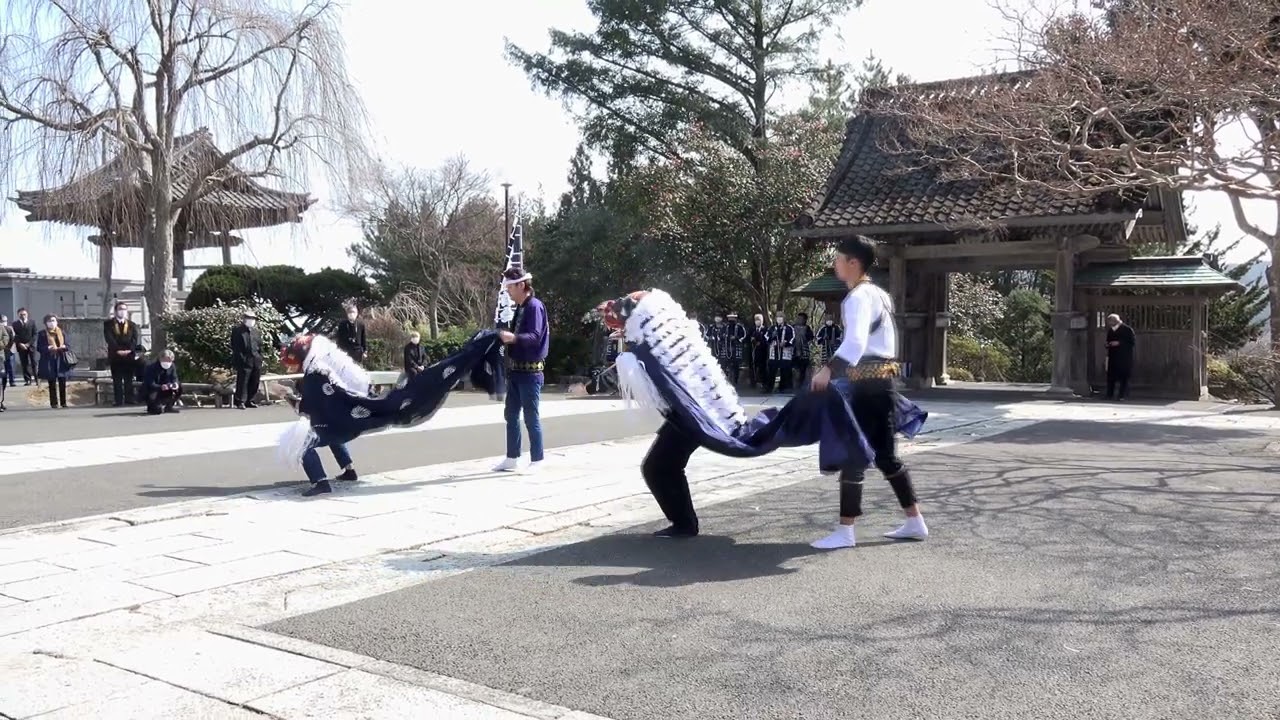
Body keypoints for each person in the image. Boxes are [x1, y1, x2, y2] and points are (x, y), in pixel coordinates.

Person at [592, 289, 928, 540]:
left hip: (697, 413)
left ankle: (854, 529)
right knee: (660, 465)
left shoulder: (650, 344)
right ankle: (899, 523)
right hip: (695, 411)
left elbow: (850, 346)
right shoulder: (665, 331)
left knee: (871, 456)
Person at [809, 235, 927, 550]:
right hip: (882, 382)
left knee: (853, 453)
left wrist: (826, 370)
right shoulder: (879, 294)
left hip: (868, 384)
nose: (835, 264)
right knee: (886, 455)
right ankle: (915, 521)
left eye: (838, 258)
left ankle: (845, 532)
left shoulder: (857, 298)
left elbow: (856, 344)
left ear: (853, 263)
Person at [493, 266, 549, 472]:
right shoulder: (521, 307)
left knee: (530, 416)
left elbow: (535, 336)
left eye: (510, 287)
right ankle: (512, 457)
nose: (508, 291)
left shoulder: (534, 306)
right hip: (516, 372)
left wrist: (513, 337)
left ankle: (538, 459)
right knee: (511, 414)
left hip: (531, 372)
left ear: (522, 285)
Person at [104, 301, 141, 406]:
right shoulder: (108, 324)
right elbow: (109, 339)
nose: (122, 311)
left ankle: (129, 398)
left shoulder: (132, 325)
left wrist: (129, 350)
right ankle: (118, 400)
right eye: (120, 309)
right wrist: (118, 350)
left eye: (124, 309)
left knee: (129, 378)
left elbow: (134, 339)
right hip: (115, 355)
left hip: (129, 355)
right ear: (115, 311)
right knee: (117, 379)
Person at [36, 314, 71, 409]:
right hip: (49, 360)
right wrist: (48, 348)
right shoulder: (42, 334)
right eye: (49, 321)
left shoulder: (62, 332)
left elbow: (68, 345)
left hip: (61, 359)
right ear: (45, 323)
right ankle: (54, 403)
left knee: (62, 381)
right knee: (51, 382)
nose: (52, 323)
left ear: (57, 322)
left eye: (53, 320)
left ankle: (63, 402)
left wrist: (64, 347)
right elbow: (39, 348)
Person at [230, 309, 263, 409]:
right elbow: (235, 346)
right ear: (244, 319)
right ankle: (240, 401)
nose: (251, 320)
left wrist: (260, 357)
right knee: (243, 381)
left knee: (255, 380)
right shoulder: (238, 331)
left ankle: (250, 400)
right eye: (249, 318)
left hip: (255, 359)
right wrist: (241, 359)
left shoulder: (256, 332)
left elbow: (260, 346)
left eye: (253, 318)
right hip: (244, 359)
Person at [1105, 313, 1136, 400]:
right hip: (1113, 356)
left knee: (1124, 377)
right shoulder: (1111, 330)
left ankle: (1122, 395)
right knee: (1111, 376)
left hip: (1124, 357)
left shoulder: (1127, 329)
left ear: (1116, 321)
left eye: (1111, 322)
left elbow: (1132, 342)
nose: (1110, 324)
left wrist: (1119, 343)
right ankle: (1109, 394)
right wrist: (1108, 344)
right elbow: (1108, 340)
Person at [143, 350, 182, 415]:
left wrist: (175, 383)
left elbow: (175, 377)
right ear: (160, 358)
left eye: (169, 361)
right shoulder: (151, 367)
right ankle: (152, 406)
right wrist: (160, 387)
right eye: (165, 360)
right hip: (154, 390)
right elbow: (149, 382)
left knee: (179, 387)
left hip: (167, 388)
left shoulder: (172, 366)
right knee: (157, 410)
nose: (167, 362)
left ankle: (169, 406)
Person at [765, 312, 795, 393]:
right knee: (772, 370)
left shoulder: (789, 328)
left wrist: (786, 343)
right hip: (774, 353)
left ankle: (784, 388)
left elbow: (792, 338)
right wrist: (772, 337)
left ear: (784, 318)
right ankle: (769, 388)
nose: (779, 318)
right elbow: (766, 337)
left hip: (785, 352)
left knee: (785, 370)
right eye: (778, 317)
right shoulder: (772, 328)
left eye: (781, 317)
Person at [12, 308, 37, 386]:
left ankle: (37, 379)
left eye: (24, 314)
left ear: (27, 314)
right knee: (24, 364)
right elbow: (14, 336)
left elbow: (35, 334)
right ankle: (27, 380)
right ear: (18, 315)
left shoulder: (32, 322)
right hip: (21, 347)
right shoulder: (15, 324)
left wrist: (28, 344)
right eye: (21, 314)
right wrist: (20, 344)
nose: (23, 316)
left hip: (31, 346)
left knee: (34, 363)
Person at [722, 312, 747, 386]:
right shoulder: (726, 327)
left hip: (736, 347)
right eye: (730, 318)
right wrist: (725, 336)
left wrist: (736, 338)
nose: (731, 319)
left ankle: (735, 380)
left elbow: (744, 336)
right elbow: (721, 335)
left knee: (736, 365)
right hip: (727, 347)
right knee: (726, 364)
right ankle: (726, 380)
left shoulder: (740, 327)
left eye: (733, 318)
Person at [792, 312, 814, 387]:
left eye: (801, 319)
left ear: (805, 320)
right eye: (798, 318)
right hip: (794, 351)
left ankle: (802, 385)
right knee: (794, 368)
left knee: (803, 369)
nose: (799, 320)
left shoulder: (807, 328)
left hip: (804, 352)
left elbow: (811, 338)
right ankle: (793, 385)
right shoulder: (792, 327)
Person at [749, 313, 768, 390]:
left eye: (759, 320)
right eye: (756, 320)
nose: (757, 322)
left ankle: (764, 383)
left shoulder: (765, 329)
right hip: (753, 351)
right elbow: (747, 338)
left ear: (762, 321)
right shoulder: (752, 329)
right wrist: (751, 340)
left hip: (762, 352)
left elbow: (767, 339)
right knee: (752, 367)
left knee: (762, 368)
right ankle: (753, 383)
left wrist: (761, 343)